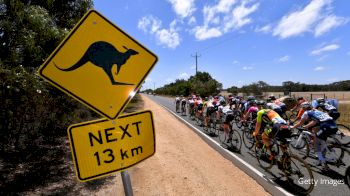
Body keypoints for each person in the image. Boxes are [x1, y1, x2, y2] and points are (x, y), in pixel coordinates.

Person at [290, 102, 338, 171]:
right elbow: (315, 122)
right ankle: (322, 157)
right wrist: (306, 126)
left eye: (303, 108)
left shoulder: (306, 113)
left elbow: (300, 123)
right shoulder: (316, 110)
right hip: (334, 125)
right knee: (320, 140)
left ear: (304, 108)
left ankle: (323, 164)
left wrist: (292, 127)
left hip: (326, 126)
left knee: (317, 146)